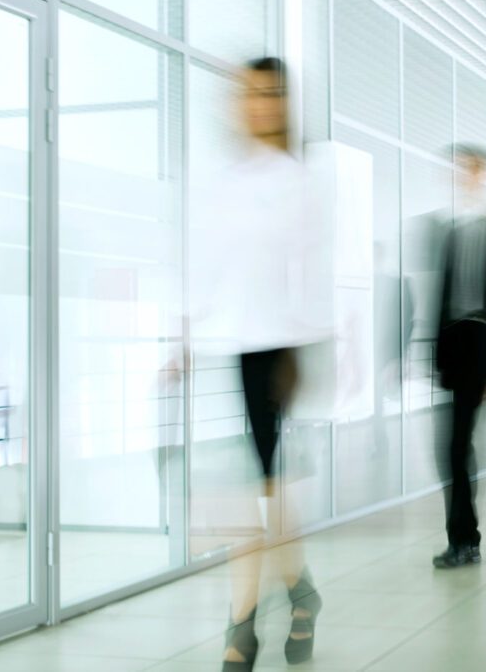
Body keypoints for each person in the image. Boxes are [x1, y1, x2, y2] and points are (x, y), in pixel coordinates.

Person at [188, 56, 331, 669]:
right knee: (259, 489)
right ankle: (300, 592)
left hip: (277, 350)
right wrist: (183, 336)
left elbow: (312, 270)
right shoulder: (224, 181)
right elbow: (207, 266)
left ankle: (240, 628)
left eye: (269, 94)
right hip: (231, 344)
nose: (256, 105)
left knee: (258, 488)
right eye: (247, 93)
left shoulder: (298, 179)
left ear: (283, 103)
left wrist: (309, 347)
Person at [432, 145, 486, 569]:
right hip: (454, 348)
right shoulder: (450, 230)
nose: (464, 176)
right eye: (460, 169)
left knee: (455, 446)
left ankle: (464, 540)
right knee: (454, 448)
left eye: (472, 170)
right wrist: (433, 357)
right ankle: (465, 538)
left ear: (485, 175)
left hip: (481, 347)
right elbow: (441, 300)